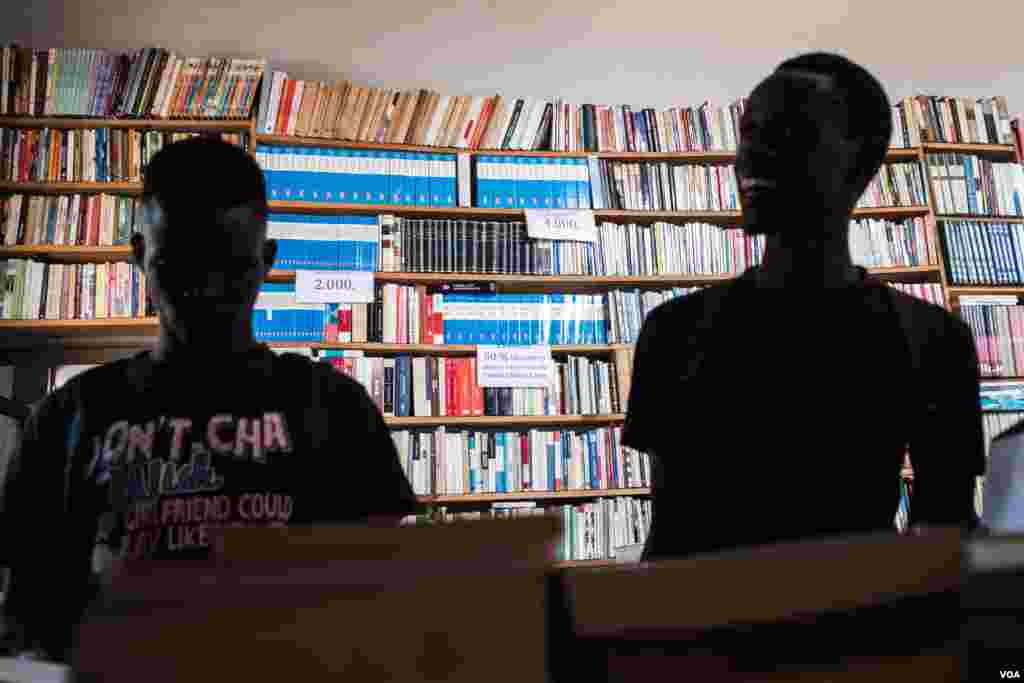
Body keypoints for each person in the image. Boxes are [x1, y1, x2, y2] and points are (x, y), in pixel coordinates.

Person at [0, 137, 419, 660]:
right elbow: (28, 621)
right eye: (179, 267)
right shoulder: (68, 417)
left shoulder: (336, 410)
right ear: (139, 258)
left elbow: (382, 612)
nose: (206, 289)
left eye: (230, 266)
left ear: (266, 261)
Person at [622, 52, 984, 560]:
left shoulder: (934, 341)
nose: (752, 156)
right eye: (749, 133)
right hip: (705, 631)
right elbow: (669, 539)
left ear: (861, 160)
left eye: (789, 133)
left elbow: (946, 534)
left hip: (867, 631)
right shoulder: (673, 332)